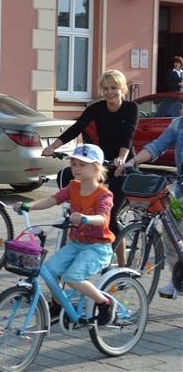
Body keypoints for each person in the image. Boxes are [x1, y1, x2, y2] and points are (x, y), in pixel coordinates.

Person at [41, 69, 138, 264]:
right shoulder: (97, 108)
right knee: (80, 207)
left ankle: (122, 266)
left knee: (110, 218)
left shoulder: (131, 108)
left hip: (121, 165)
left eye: (114, 88)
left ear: (122, 89)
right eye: (105, 88)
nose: (109, 92)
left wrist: (121, 159)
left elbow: (128, 136)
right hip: (99, 164)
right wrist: (52, 147)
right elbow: (76, 128)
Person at [13, 144, 115, 325]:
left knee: (73, 277)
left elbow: (102, 218)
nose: (76, 168)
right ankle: (59, 305)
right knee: (50, 271)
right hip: (76, 244)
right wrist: (29, 206)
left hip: (98, 247)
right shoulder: (73, 187)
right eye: (74, 164)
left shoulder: (103, 195)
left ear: (96, 167)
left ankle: (104, 303)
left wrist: (86, 218)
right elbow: (52, 200)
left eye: (82, 164)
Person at [116, 110, 183, 299]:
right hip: (180, 190)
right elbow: (156, 147)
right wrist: (133, 161)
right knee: (172, 236)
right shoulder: (178, 124)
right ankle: (176, 278)